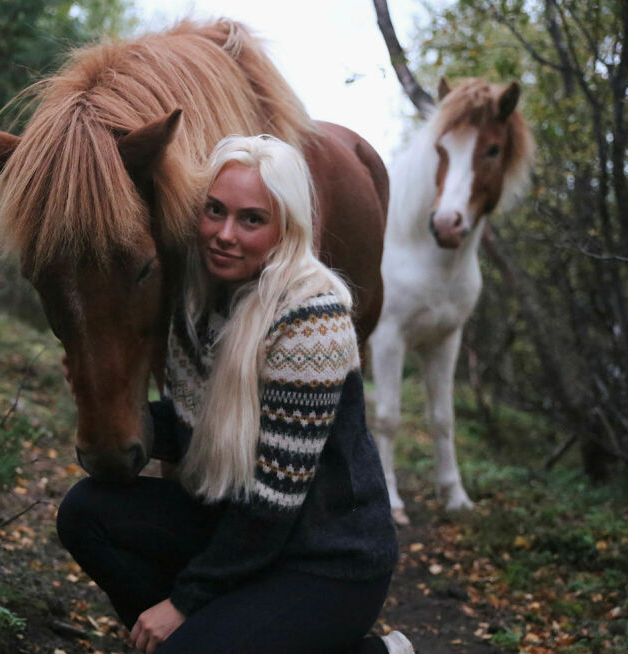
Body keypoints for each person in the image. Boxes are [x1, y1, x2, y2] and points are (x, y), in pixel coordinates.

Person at [56, 134, 411, 654]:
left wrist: (183, 603)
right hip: (237, 529)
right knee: (86, 512)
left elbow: (271, 504)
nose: (224, 234)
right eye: (214, 211)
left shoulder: (312, 319)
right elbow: (199, 426)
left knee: (185, 637)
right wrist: (103, 396)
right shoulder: (200, 299)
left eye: (251, 219)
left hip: (325, 558)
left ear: (285, 227)